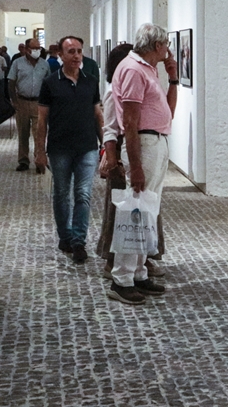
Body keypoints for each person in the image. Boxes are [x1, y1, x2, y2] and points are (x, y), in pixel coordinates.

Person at [106, 23, 177, 305]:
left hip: (155, 141)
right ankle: (121, 279)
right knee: (135, 212)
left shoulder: (146, 68)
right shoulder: (134, 69)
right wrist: (134, 165)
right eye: (166, 45)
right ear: (156, 46)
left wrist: (173, 78)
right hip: (144, 144)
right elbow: (131, 122)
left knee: (146, 210)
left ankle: (137, 272)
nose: (168, 50)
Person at [34, 36, 102, 264]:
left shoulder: (91, 81)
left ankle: (78, 241)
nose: (76, 55)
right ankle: (64, 235)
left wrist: (106, 145)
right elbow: (42, 120)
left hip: (87, 147)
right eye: (71, 51)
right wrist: (39, 151)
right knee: (62, 195)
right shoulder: (50, 83)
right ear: (60, 55)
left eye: (79, 51)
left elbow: (97, 115)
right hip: (59, 147)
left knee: (83, 194)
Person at [97, 43, 134, 278]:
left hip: (129, 149)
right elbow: (109, 128)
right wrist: (112, 160)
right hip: (118, 152)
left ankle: (138, 255)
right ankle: (113, 259)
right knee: (119, 208)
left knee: (136, 207)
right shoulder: (113, 93)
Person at [6, 38, 50, 173]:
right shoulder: (17, 63)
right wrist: (14, 101)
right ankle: (23, 160)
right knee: (23, 133)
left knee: (39, 133)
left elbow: (49, 84)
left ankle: (39, 160)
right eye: (34, 48)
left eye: (39, 48)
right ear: (26, 49)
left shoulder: (44, 64)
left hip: (39, 102)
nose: (37, 51)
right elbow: (11, 82)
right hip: (22, 101)